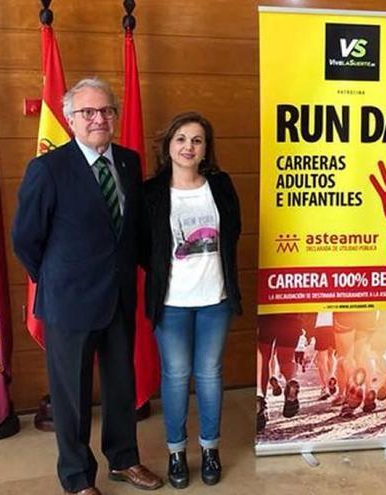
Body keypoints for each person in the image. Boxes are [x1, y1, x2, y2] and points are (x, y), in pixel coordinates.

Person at [12, 78, 163, 495]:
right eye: (88, 112)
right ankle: (78, 479)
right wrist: (59, 278)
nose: (99, 119)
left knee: (121, 386)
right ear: (70, 118)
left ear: (116, 115)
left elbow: (134, 235)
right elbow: (26, 238)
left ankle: (124, 459)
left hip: (118, 298)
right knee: (72, 397)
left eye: (107, 111)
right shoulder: (48, 168)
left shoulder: (130, 164)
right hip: (68, 303)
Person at [141, 112, 242, 488]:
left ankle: (210, 448)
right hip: (171, 303)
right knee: (176, 376)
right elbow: (142, 247)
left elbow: (234, 231)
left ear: (206, 150)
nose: (188, 147)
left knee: (210, 375)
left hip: (215, 299)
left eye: (197, 140)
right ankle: (177, 453)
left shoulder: (221, 185)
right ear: (169, 146)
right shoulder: (151, 191)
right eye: (181, 139)